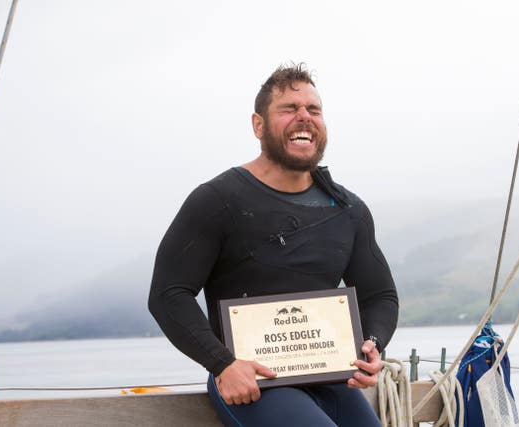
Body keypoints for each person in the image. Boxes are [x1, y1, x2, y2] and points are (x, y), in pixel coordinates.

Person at [149, 63, 398, 426]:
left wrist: (373, 344)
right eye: (289, 109)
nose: (304, 117)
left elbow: (380, 296)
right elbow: (169, 294)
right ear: (258, 125)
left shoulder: (348, 210)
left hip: (329, 375)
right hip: (250, 382)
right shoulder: (218, 199)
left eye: (314, 110)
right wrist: (223, 364)